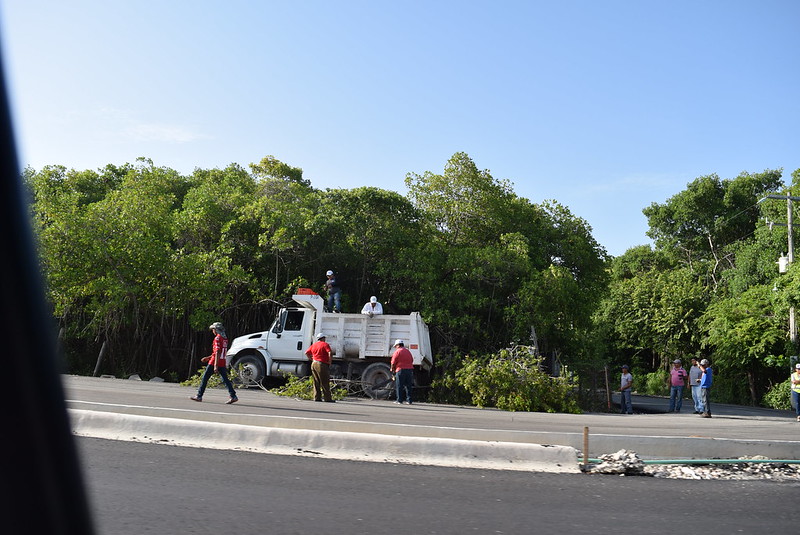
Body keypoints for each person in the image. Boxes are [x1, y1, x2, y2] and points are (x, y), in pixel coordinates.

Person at [190, 322, 238, 404]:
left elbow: (218, 352)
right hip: (222, 361)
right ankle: (233, 395)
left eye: (213, 329)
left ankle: (199, 395)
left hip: (214, 362)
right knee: (225, 379)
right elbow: (218, 352)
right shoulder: (225, 338)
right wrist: (208, 358)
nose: (212, 331)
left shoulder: (217, 338)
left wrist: (215, 365)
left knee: (205, 378)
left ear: (216, 330)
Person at [305, 332, 334, 402]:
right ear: (323, 338)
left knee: (316, 381)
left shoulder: (314, 345)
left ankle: (317, 397)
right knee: (324, 381)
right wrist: (330, 362)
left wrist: (312, 359)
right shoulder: (325, 344)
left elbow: (306, 353)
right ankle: (327, 398)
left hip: (314, 364)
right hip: (321, 364)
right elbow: (329, 353)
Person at [391, 339, 414, 404]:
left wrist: (392, 370)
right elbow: (412, 360)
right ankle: (409, 400)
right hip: (409, 370)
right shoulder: (408, 351)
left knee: (399, 385)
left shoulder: (397, 352)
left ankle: (399, 400)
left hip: (400, 370)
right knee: (408, 386)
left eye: (395, 346)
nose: (395, 347)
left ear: (398, 345)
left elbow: (393, 362)